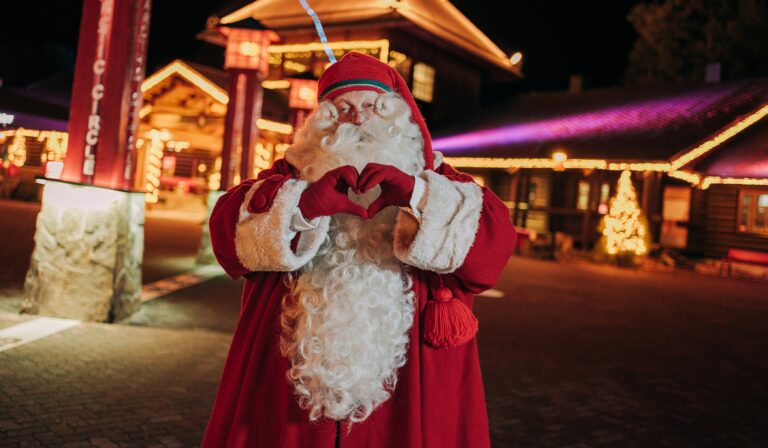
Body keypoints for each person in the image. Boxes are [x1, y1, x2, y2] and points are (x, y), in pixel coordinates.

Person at [202, 52, 516, 448]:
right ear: (322, 120)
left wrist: (417, 195)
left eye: (372, 107)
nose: (358, 120)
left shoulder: (438, 180)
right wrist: (303, 206)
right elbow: (226, 234)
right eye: (343, 109)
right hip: (290, 379)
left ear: (396, 115)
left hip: (408, 384)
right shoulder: (288, 177)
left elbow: (491, 252)